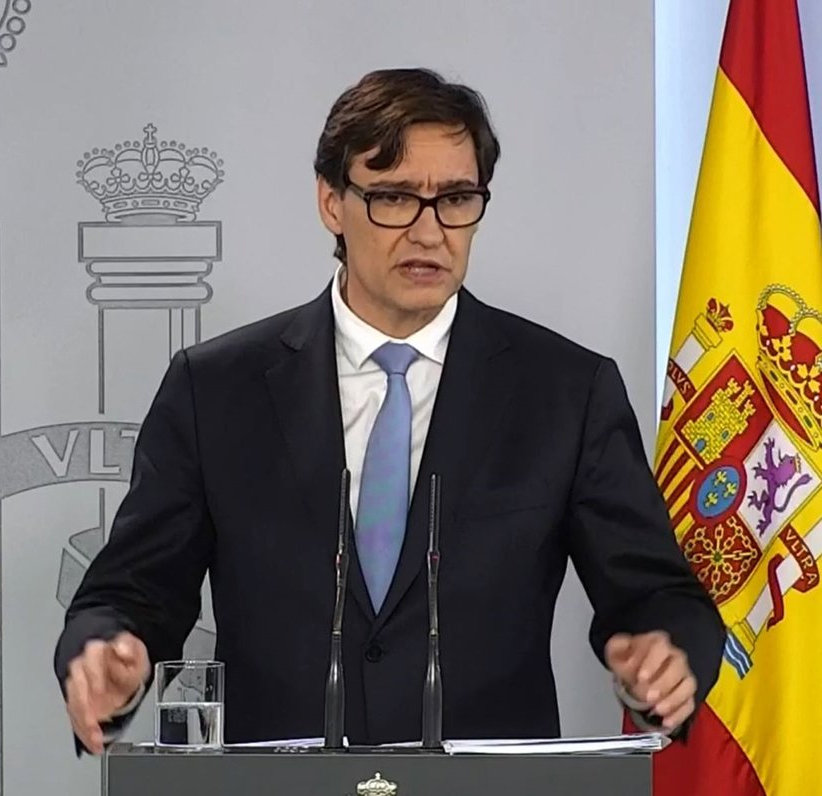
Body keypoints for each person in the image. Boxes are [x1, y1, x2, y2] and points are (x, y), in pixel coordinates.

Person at [53, 67, 725, 754]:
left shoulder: (565, 392)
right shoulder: (216, 389)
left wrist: (666, 652)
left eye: (456, 199)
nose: (430, 232)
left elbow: (656, 594)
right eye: (396, 198)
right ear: (331, 203)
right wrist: (109, 653)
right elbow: (135, 590)